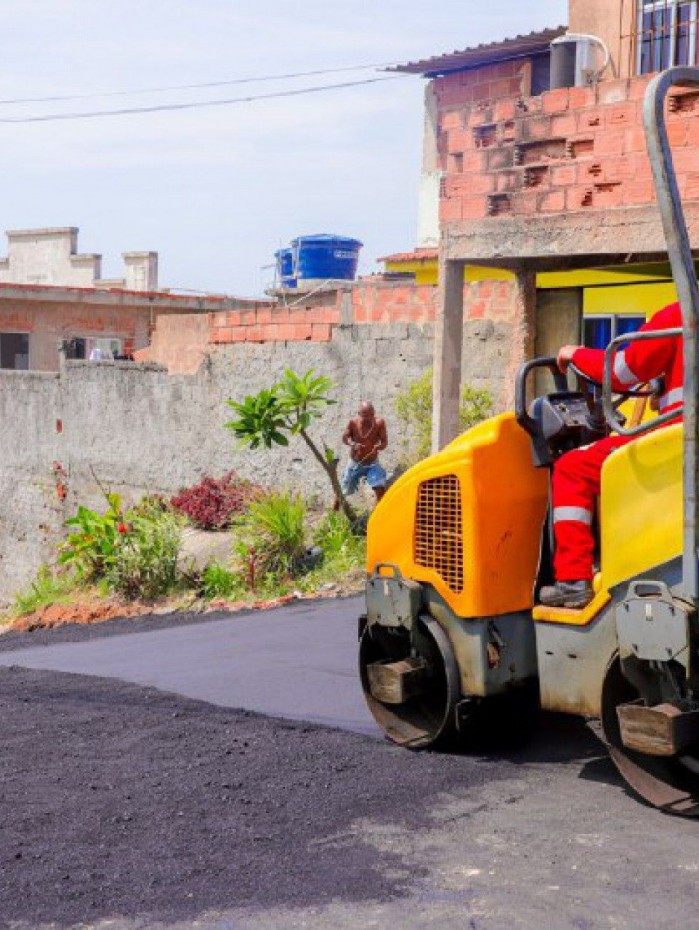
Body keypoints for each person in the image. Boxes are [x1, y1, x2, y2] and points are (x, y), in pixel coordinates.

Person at [539, 302, 683, 609]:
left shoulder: (682, 312)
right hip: (681, 441)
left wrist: (574, 353)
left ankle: (573, 580)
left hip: (678, 440)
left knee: (571, 467)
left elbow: (621, 371)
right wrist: (662, 383)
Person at [337, 401, 388, 507]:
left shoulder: (379, 423)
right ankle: (334, 512)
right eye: (364, 416)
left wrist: (378, 447)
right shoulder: (353, 423)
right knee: (343, 490)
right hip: (355, 463)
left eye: (370, 415)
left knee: (380, 488)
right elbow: (344, 438)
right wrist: (352, 444)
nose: (367, 418)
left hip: (372, 463)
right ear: (359, 414)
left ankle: (378, 512)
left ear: (373, 413)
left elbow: (384, 443)